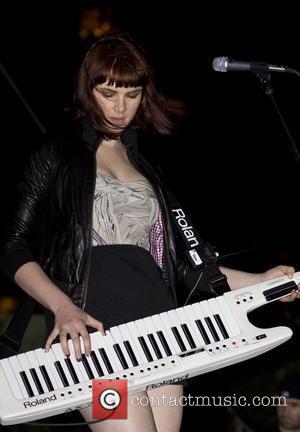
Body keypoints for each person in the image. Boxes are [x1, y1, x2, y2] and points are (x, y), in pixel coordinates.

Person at [0, 32, 299, 432]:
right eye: (108, 93)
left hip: (162, 334)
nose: (120, 107)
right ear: (87, 90)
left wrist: (260, 280)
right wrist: (62, 306)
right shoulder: (58, 154)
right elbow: (12, 246)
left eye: (132, 94)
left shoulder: (149, 170)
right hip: (97, 337)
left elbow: (189, 266)